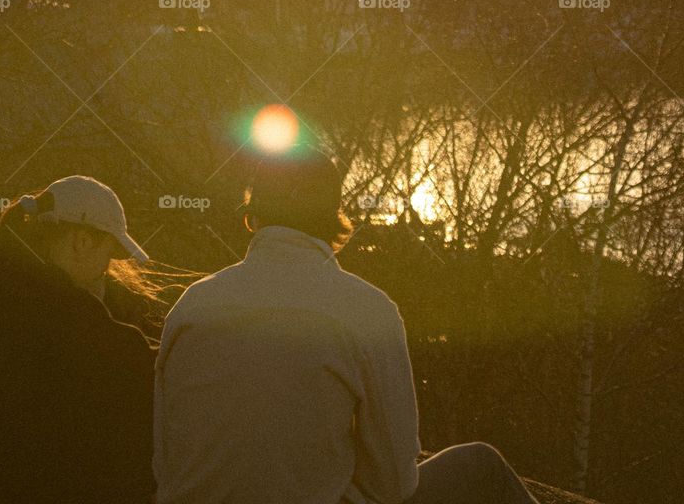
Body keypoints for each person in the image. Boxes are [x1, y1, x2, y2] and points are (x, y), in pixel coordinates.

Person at [154, 147, 539, 504]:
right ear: (334, 218)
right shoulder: (366, 310)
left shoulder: (194, 304)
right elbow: (393, 484)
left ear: (253, 216)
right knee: (479, 465)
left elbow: (164, 458)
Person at [0, 175, 158, 504]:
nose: (107, 269)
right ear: (81, 241)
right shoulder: (56, 306)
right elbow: (131, 365)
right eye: (108, 253)